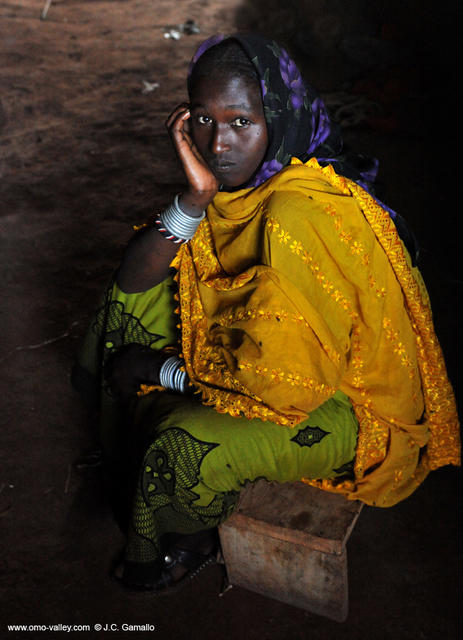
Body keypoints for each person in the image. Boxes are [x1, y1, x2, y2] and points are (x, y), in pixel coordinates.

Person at [73, 33, 460, 593]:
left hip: (343, 404)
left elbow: (285, 390)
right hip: (272, 366)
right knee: (134, 300)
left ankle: (191, 537)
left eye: (240, 123)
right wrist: (194, 198)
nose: (218, 144)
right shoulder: (238, 192)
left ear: (277, 116)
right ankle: (132, 443)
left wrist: (160, 371)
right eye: (202, 120)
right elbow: (133, 282)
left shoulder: (298, 210)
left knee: (181, 449)